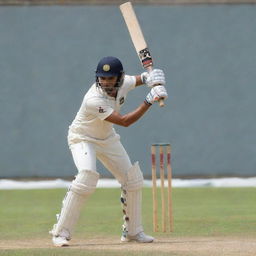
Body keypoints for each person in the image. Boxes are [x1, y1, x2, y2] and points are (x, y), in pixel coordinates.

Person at [50, 56, 168, 246]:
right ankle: (60, 233)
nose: (105, 82)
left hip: (107, 138)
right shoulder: (93, 99)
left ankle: (133, 231)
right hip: (82, 138)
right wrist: (149, 100)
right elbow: (125, 121)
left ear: (119, 77)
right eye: (102, 78)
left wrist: (150, 77)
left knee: (132, 179)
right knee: (87, 176)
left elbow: (137, 80)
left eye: (110, 78)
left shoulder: (124, 82)